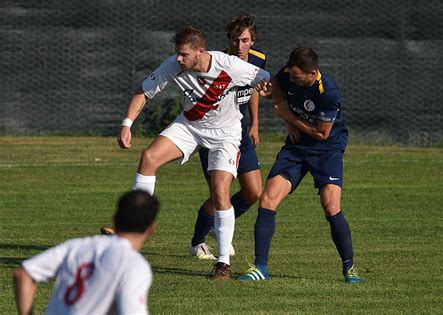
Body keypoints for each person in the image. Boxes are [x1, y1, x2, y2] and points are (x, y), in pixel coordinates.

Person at [116, 26, 270, 279]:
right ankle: (134, 230)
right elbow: (143, 91)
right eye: (177, 53)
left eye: (184, 54)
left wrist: (268, 90)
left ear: (200, 52)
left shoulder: (229, 64)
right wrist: (127, 124)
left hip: (225, 135)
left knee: (221, 192)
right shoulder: (174, 65)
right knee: (149, 158)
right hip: (190, 126)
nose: (179, 58)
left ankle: (222, 264)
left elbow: (265, 79)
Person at [238, 47, 361, 283]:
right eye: (290, 74)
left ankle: (350, 268)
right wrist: (286, 119)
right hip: (296, 148)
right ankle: (261, 267)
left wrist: (288, 117)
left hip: (327, 149)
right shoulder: (288, 73)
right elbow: (275, 83)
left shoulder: (328, 92)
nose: (291, 78)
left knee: (331, 205)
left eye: (296, 76)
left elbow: (322, 134)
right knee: (268, 198)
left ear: (312, 74)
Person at [189, 14, 267, 260]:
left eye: (244, 40)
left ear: (252, 41)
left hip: (240, 132)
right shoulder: (219, 62)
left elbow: (254, 85)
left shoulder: (258, 60)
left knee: (254, 192)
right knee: (219, 193)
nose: (239, 46)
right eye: (235, 40)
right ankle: (198, 242)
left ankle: (216, 226)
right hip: (215, 133)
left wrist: (254, 123)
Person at [13, 190, 160, 315]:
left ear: (115, 219)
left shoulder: (77, 246)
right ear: (152, 228)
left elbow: (23, 273)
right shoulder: (134, 265)